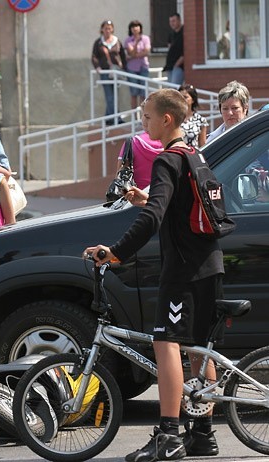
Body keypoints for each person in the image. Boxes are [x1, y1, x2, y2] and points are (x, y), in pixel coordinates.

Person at [85, 89, 224, 461]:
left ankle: (169, 436)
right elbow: (177, 205)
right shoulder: (193, 154)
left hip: (181, 270)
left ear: (167, 119)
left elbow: (154, 219)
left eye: (147, 116)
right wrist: (146, 198)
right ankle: (203, 435)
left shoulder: (166, 160)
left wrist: (116, 253)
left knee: (167, 344)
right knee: (197, 348)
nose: (142, 122)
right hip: (209, 262)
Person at [92, 20, 126, 125]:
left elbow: (122, 56)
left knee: (115, 95)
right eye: (106, 28)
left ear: (112, 29)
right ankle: (116, 118)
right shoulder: (98, 42)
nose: (108, 30)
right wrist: (97, 67)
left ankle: (109, 117)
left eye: (110, 28)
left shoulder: (117, 41)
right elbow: (94, 57)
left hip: (116, 71)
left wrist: (124, 68)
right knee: (109, 96)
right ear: (102, 29)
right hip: (105, 72)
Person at [124, 20, 151, 110]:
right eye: (133, 27)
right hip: (132, 68)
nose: (135, 28)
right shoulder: (128, 40)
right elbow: (131, 52)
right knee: (134, 93)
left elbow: (147, 51)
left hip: (143, 67)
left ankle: (143, 117)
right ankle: (134, 118)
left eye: (137, 26)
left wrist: (133, 56)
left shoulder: (145, 38)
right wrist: (136, 43)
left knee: (143, 93)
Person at [179, 84, 208, 148]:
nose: (182, 100)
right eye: (180, 97)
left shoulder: (200, 120)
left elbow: (202, 145)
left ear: (193, 100)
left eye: (185, 97)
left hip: (192, 156)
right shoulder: (173, 118)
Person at [164, 13, 185, 86]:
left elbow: (185, 51)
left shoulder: (184, 32)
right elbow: (170, 48)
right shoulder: (171, 34)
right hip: (170, 65)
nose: (172, 23)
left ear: (179, 20)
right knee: (170, 90)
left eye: (174, 21)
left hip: (179, 66)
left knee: (174, 89)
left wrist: (177, 63)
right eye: (170, 21)